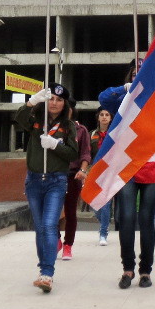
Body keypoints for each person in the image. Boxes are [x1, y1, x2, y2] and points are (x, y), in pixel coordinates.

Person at [98, 58, 155, 289]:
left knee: (146, 218)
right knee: (126, 218)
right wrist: (126, 90)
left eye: (143, 72)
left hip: (152, 161)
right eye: (135, 73)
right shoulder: (122, 98)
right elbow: (103, 98)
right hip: (125, 163)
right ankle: (127, 268)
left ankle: (146, 270)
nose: (138, 75)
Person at [15, 82, 78, 293]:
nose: (54, 103)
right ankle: (43, 269)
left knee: (50, 225)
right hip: (34, 180)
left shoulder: (69, 126)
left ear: (64, 104)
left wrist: (56, 145)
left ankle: (47, 273)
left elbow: (73, 154)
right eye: (51, 98)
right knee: (40, 227)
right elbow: (19, 118)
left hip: (56, 181)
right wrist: (32, 101)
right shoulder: (36, 121)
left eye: (59, 100)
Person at [59, 97, 91, 260]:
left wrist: (83, 170)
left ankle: (68, 245)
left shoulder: (81, 130)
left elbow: (85, 153)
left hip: (73, 175)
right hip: (55, 173)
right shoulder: (53, 128)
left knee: (70, 211)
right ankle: (56, 240)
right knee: (50, 211)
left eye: (67, 107)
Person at [90, 107, 112, 246]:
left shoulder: (114, 133)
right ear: (98, 118)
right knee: (94, 203)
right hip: (95, 172)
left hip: (110, 171)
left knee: (106, 203)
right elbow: (87, 152)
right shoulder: (91, 134)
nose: (104, 117)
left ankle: (103, 233)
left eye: (107, 114)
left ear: (110, 118)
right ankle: (103, 221)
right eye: (102, 115)